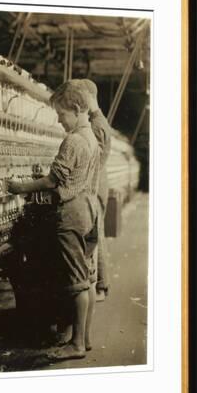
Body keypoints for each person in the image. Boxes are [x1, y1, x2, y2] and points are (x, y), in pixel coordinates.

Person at [7, 80, 100, 360]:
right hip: (88, 209)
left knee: (75, 282)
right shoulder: (91, 137)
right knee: (86, 277)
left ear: (75, 108)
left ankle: (77, 345)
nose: (59, 120)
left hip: (71, 215)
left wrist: (20, 187)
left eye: (61, 114)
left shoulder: (72, 140)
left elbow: (52, 181)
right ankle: (84, 337)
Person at [80, 80, 112, 300]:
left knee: (96, 236)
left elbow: (94, 159)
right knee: (97, 235)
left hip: (96, 185)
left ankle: (100, 286)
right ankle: (101, 284)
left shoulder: (97, 124)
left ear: (88, 97)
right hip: (99, 184)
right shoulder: (97, 121)